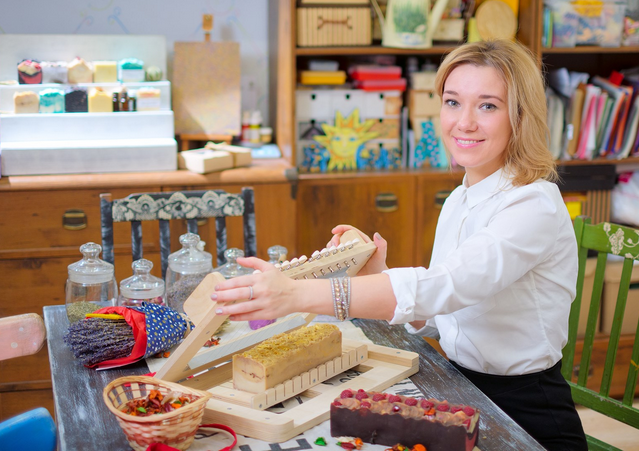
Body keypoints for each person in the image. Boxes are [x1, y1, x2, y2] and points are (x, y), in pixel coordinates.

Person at [212, 39, 587, 450]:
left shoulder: (533, 204)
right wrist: (380, 274)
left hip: (526, 413)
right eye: (452, 102)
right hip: (462, 390)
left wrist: (296, 294)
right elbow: (443, 312)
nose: (463, 123)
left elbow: (444, 285)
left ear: (521, 116)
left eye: (488, 106)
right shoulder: (463, 196)